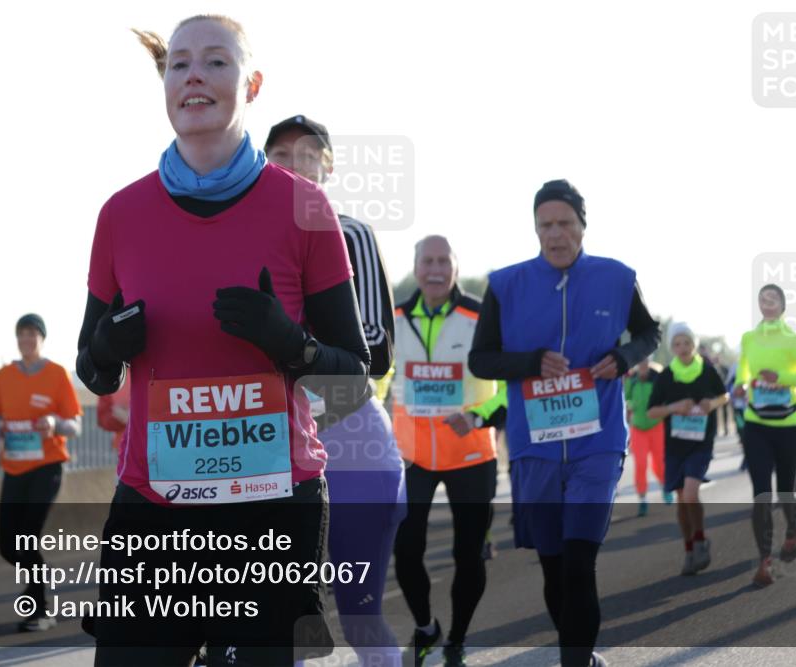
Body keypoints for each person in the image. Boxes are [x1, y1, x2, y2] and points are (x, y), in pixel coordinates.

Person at [76, 15, 369, 666]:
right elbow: (91, 371)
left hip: (271, 510)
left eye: (216, 61)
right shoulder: (121, 213)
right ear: (166, 82)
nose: (195, 77)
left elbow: (353, 376)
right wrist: (106, 346)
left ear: (252, 83)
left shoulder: (304, 206)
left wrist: (293, 344)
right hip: (156, 508)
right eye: (179, 64)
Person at [468, 180, 660, 667]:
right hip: (536, 447)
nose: (555, 235)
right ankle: (579, 650)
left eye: (565, 224)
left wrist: (624, 355)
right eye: (545, 225)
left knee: (579, 562)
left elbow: (648, 332)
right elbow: (482, 360)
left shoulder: (617, 277)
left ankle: (576, 661)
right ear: (535, 228)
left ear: (582, 226)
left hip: (598, 443)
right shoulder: (504, 284)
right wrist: (530, 361)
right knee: (554, 568)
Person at [264, 115, 404, 667]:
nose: (295, 163)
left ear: (328, 165)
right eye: (281, 154)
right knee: (286, 619)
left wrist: (288, 349)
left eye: (308, 154)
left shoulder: (351, 233)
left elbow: (374, 345)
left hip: (352, 447)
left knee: (358, 616)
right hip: (269, 450)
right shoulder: (239, 242)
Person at [391, 235, 505, 667]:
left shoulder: (481, 315)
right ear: (417, 267)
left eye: (443, 261)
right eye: (427, 261)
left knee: (468, 554)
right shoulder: (395, 317)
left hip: (471, 453)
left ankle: (457, 637)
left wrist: (480, 417)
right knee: (405, 552)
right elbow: (380, 378)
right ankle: (425, 628)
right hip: (412, 455)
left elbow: (511, 381)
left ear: (455, 267)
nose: (435, 269)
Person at [0, 314, 81, 631]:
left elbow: (75, 425)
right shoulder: (4, 376)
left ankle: (39, 609)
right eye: (22, 333)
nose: (26, 339)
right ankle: (36, 581)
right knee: (6, 545)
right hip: (14, 467)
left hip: (47, 466)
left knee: (26, 539)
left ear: (42, 338)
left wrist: (54, 423)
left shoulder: (56, 374)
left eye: (32, 334)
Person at [734, 285, 796, 586]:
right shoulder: (749, 338)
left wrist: (779, 379)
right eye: (762, 300)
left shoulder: (795, 339)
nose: (767, 305)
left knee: (786, 488)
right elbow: (744, 370)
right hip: (757, 422)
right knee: (761, 493)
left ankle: (793, 532)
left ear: (782, 306)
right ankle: (764, 562)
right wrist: (742, 385)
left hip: (789, 423)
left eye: (773, 300)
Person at [646, 323, 728, 575]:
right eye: (677, 344)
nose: (682, 348)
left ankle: (701, 540)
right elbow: (651, 411)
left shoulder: (707, 370)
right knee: (682, 499)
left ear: (694, 344)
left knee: (691, 492)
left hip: (701, 442)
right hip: (675, 445)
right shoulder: (667, 375)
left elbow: (723, 396)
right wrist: (673, 408)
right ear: (671, 347)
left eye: (686, 343)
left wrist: (710, 403)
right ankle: (690, 549)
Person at [623, 357, 670, 516]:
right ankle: (642, 499)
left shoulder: (657, 376)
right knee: (641, 464)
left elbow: (665, 397)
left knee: (659, 463)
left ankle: (666, 486)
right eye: (640, 360)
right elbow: (626, 397)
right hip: (638, 428)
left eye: (645, 360)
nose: (642, 363)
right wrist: (630, 405)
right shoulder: (632, 378)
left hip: (657, 426)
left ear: (649, 361)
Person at [96, 374, 131, 450]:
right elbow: (103, 417)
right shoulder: (115, 371)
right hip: (124, 446)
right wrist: (118, 417)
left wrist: (132, 418)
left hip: (157, 442)